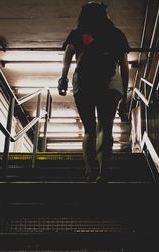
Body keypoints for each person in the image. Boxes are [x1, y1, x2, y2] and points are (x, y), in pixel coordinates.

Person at [58, 1, 130, 182]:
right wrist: (125, 94)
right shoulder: (116, 34)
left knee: (89, 130)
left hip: (84, 82)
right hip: (110, 83)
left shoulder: (77, 33)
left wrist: (64, 78)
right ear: (105, 15)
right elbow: (124, 65)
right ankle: (103, 173)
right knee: (105, 128)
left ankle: (89, 171)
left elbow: (68, 54)